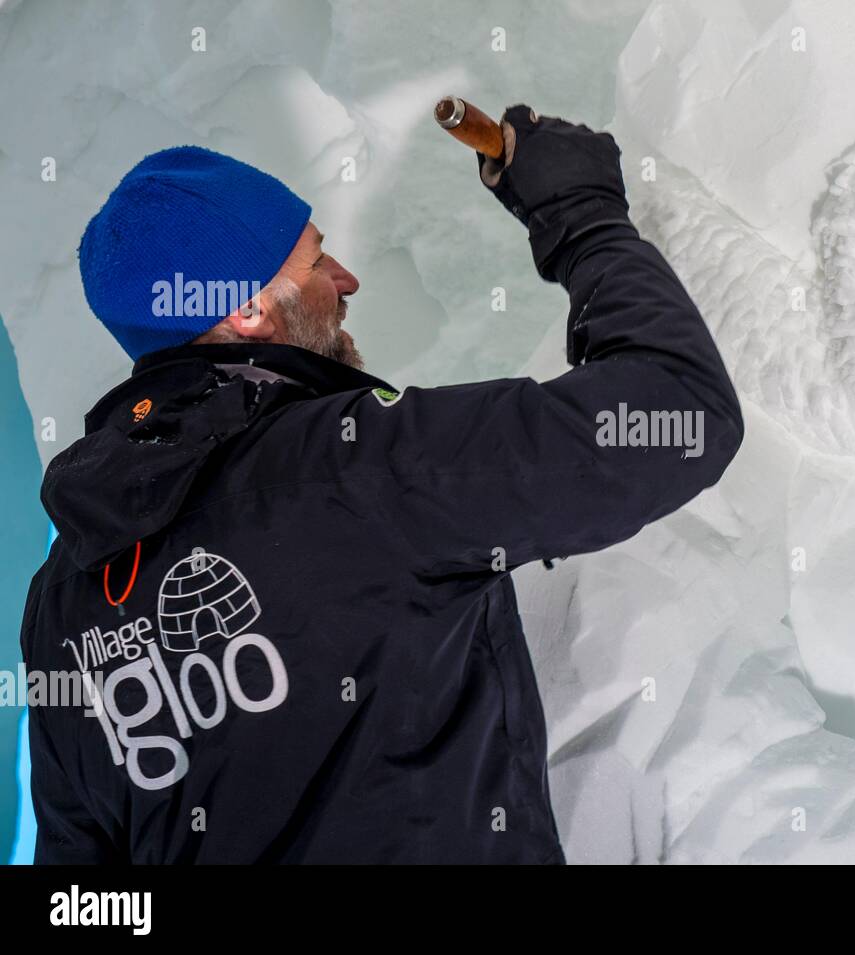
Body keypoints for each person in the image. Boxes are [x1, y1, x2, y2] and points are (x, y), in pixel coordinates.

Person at [19, 104, 744, 863]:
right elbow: (678, 412)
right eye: (315, 261)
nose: (346, 279)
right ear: (248, 308)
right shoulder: (352, 467)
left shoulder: (64, 598)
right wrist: (581, 216)